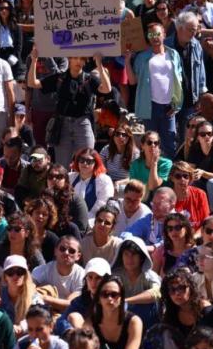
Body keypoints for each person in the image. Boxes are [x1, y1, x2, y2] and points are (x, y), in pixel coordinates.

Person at [27, 46, 112, 166]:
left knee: (87, 161)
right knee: (62, 165)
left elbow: (107, 89)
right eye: (75, 58)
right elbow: (32, 83)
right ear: (69, 59)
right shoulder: (60, 78)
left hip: (83, 124)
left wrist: (99, 64)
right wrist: (34, 60)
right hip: (63, 125)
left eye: (82, 59)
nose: (78, 61)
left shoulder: (89, 79)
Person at [125, 23, 183, 155]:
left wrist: (177, 104)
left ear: (164, 34)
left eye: (157, 34)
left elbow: (179, 81)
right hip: (150, 105)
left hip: (170, 106)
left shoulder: (173, 54)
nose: (154, 37)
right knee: (151, 144)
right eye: (151, 35)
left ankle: (168, 174)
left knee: (169, 144)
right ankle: (150, 173)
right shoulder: (142, 57)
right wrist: (127, 61)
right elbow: (133, 80)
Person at [32, 236, 85, 311]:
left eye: (72, 251)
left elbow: (70, 305)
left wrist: (45, 298)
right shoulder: (43, 270)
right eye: (62, 249)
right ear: (55, 251)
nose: (66, 253)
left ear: (78, 256)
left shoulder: (82, 275)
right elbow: (28, 290)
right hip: (43, 312)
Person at [69, 149, 114, 221]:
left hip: (93, 220)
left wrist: (84, 221)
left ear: (96, 163)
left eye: (89, 161)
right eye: (82, 160)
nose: (85, 163)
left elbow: (102, 205)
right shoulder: (70, 177)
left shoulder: (104, 180)